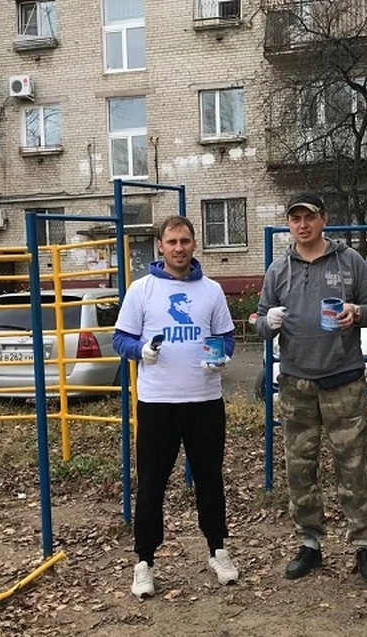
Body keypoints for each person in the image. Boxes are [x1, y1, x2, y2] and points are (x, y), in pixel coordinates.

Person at [255, 192, 367, 584]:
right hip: (296, 382)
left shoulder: (350, 261)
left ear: (323, 219)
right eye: (295, 218)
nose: (302, 224)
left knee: (354, 466)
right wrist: (268, 322)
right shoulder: (278, 270)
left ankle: (364, 545)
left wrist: (358, 313)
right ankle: (309, 543)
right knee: (300, 467)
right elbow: (259, 320)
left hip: (343, 379)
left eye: (309, 217)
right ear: (290, 224)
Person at [112, 215, 239, 599]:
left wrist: (223, 358)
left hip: (204, 401)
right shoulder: (142, 289)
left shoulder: (212, 290)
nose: (179, 248)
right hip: (157, 403)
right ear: (161, 247)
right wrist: (141, 352)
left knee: (210, 479)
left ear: (194, 244)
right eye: (172, 242)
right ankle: (144, 561)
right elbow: (120, 338)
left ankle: (218, 549)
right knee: (151, 483)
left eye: (185, 240)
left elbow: (227, 337)